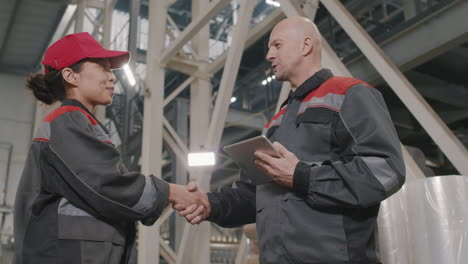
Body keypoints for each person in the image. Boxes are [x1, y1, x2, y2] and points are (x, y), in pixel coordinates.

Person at [179, 17, 405, 263]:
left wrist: (302, 176)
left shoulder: (349, 94)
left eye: (277, 45)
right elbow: (255, 195)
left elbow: (385, 170)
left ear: (305, 45)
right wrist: (211, 204)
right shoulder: (276, 122)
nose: (268, 55)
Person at [13, 32, 209, 264]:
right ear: (70, 76)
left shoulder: (78, 122)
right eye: (103, 67)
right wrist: (172, 192)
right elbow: (106, 184)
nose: (112, 77)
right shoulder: (67, 120)